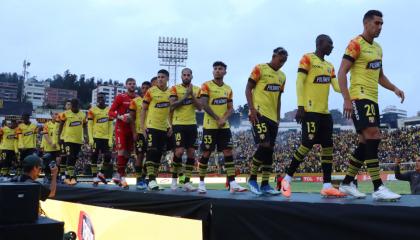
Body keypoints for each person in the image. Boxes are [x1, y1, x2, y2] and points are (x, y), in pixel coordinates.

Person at [338, 10, 405, 201]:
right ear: (366, 23)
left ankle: (347, 183)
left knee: (364, 142)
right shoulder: (355, 44)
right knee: (374, 135)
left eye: (382, 24)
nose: (380, 27)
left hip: (373, 100)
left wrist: (394, 88)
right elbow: (342, 72)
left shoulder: (378, 48)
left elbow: (380, 76)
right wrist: (346, 99)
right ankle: (378, 187)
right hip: (359, 97)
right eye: (377, 23)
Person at [281, 36, 346, 198]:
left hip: (325, 113)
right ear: (319, 44)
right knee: (307, 144)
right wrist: (301, 106)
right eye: (329, 43)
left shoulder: (329, 66)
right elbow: (299, 82)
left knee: (328, 146)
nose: (332, 46)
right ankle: (286, 179)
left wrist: (351, 92)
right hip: (310, 111)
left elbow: (337, 87)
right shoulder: (307, 58)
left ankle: (327, 185)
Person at [198, 61, 247, 194]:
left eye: (220, 69)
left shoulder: (228, 89)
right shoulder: (206, 85)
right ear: (212, 71)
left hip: (224, 127)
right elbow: (204, 104)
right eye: (215, 69)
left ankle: (232, 183)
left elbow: (230, 108)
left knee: (228, 152)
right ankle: (201, 183)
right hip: (209, 126)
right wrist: (217, 118)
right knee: (206, 153)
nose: (217, 71)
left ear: (225, 71)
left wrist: (223, 119)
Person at [245, 47, 288, 196]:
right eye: (280, 60)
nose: (282, 63)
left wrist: (278, 117)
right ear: (274, 56)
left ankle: (264, 184)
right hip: (259, 113)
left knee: (269, 150)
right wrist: (252, 109)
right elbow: (248, 88)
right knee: (264, 144)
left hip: (272, 118)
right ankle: (251, 179)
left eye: (284, 61)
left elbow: (279, 99)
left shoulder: (282, 76)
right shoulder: (260, 68)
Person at [169, 68, 201, 192]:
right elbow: (172, 105)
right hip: (178, 124)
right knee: (179, 151)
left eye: (188, 75)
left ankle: (187, 182)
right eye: (184, 75)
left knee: (191, 153)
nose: (186, 77)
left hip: (192, 125)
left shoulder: (197, 89)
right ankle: (174, 180)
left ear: (192, 76)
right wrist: (186, 96)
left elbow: (199, 107)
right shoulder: (174, 88)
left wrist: (192, 94)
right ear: (181, 76)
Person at [140, 70, 172, 191]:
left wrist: (171, 126)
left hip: (164, 128)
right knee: (151, 152)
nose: (160, 79)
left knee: (159, 155)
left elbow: (171, 111)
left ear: (167, 78)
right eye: (158, 77)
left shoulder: (171, 92)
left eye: (162, 77)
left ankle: (149, 180)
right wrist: (143, 126)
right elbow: (143, 109)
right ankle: (151, 180)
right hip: (152, 127)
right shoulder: (151, 91)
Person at [108, 78, 138, 189]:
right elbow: (110, 112)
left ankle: (119, 175)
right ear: (126, 85)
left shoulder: (137, 98)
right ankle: (121, 176)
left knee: (127, 154)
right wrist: (120, 116)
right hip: (121, 128)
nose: (132, 85)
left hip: (132, 129)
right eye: (130, 84)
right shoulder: (121, 97)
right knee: (121, 151)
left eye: (134, 84)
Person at [58, 98, 88, 185]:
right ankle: (70, 177)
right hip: (68, 140)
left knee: (74, 158)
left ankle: (70, 176)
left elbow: (85, 125)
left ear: (78, 105)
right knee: (70, 157)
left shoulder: (82, 114)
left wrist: (86, 135)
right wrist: (59, 137)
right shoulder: (66, 114)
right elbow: (61, 125)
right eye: (72, 106)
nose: (73, 107)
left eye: (75, 106)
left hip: (78, 140)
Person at [129, 81, 152, 189]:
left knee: (151, 157)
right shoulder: (135, 101)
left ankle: (144, 176)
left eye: (148, 88)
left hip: (152, 132)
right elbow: (131, 119)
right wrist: (134, 132)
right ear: (141, 89)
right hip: (139, 132)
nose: (145, 89)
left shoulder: (154, 101)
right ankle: (138, 180)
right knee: (140, 156)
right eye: (143, 88)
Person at [88, 92, 114, 186]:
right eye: (99, 97)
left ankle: (101, 173)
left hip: (106, 138)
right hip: (95, 137)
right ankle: (94, 177)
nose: (100, 99)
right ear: (97, 99)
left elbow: (111, 125)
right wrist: (90, 138)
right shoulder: (92, 110)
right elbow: (89, 125)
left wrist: (110, 139)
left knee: (108, 156)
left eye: (102, 97)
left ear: (105, 99)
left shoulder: (110, 110)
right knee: (94, 156)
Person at [41, 112, 60, 183]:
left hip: (58, 148)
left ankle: (56, 176)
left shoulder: (60, 124)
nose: (56, 115)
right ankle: (47, 176)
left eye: (57, 114)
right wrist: (52, 143)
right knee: (47, 163)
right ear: (51, 116)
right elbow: (46, 135)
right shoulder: (47, 124)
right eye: (55, 114)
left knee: (57, 162)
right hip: (49, 147)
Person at [58, 99, 72, 182]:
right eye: (67, 104)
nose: (69, 106)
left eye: (70, 104)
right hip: (63, 138)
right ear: (65, 106)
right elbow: (58, 127)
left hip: (71, 139)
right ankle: (62, 174)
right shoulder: (61, 115)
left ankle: (68, 173)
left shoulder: (75, 114)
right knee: (63, 156)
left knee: (70, 157)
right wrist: (58, 138)